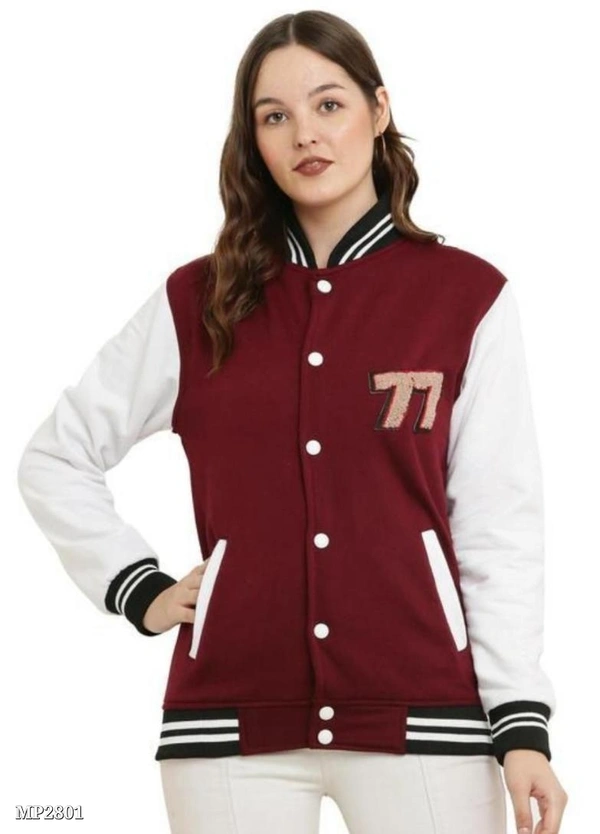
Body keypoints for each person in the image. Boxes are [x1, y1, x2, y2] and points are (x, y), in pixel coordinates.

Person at [17, 10, 568, 834]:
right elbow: (56, 457)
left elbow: (499, 525)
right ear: (254, 141)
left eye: (329, 105)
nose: (305, 133)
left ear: (379, 111)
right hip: (227, 727)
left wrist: (520, 724)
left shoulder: (465, 298)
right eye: (274, 116)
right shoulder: (198, 301)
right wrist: (140, 588)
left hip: (427, 721)